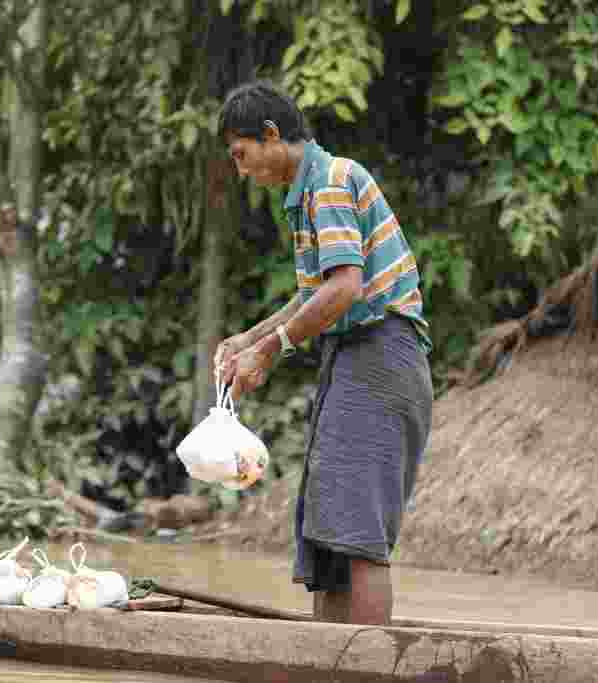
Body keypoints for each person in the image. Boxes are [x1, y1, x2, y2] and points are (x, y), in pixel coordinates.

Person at [213, 80, 433, 626]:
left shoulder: (331, 181)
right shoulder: (309, 192)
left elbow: (345, 289)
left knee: (356, 529)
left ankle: (361, 668)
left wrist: (271, 350)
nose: (242, 171)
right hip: (357, 359)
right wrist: (248, 339)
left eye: (242, 156)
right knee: (330, 530)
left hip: (382, 356)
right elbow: (314, 294)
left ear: (270, 135)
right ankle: (329, 663)